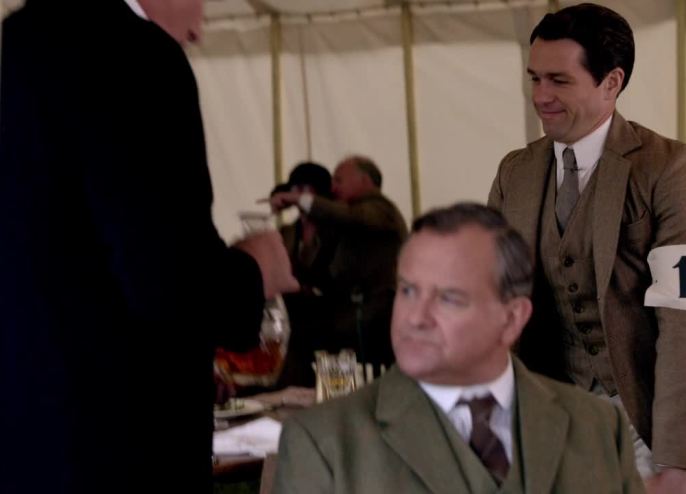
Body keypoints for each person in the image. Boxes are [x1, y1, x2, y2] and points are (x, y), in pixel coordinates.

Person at [0, 1, 298, 493]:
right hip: (114, 454)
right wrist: (255, 268)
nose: (199, 30)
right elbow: (168, 281)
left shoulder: (19, 41)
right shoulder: (133, 56)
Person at [487, 4, 686, 493]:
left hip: (652, 415)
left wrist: (676, 461)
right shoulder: (514, 172)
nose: (541, 96)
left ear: (611, 82)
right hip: (556, 413)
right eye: (534, 79)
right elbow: (492, 299)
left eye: (558, 81)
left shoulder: (668, 168)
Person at [272, 202, 645, 494]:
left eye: (448, 298)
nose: (416, 318)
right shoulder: (324, 442)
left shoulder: (596, 425)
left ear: (511, 319)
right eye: (408, 290)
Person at [267, 155, 407, 370]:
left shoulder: (381, 209)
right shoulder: (330, 222)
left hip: (373, 319)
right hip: (343, 321)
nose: (333, 187)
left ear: (364, 180)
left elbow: (350, 216)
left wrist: (299, 200)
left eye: (339, 180)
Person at [273, 161, 338, 388]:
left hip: (330, 322)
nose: (295, 195)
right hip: (296, 322)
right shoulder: (288, 232)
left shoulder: (335, 230)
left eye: (303, 189)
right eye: (294, 188)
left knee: (329, 386)